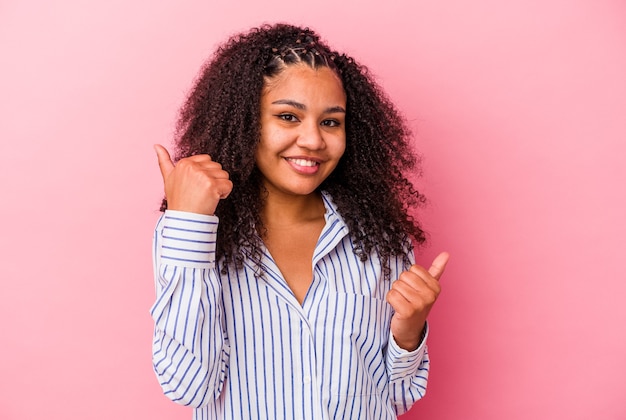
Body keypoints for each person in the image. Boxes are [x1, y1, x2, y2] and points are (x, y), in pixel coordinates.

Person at [151, 23, 449, 419]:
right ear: (245, 123)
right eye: (288, 116)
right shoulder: (195, 235)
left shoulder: (378, 240)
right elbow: (188, 385)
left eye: (330, 122)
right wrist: (189, 221)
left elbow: (396, 397)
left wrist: (409, 331)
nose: (312, 140)